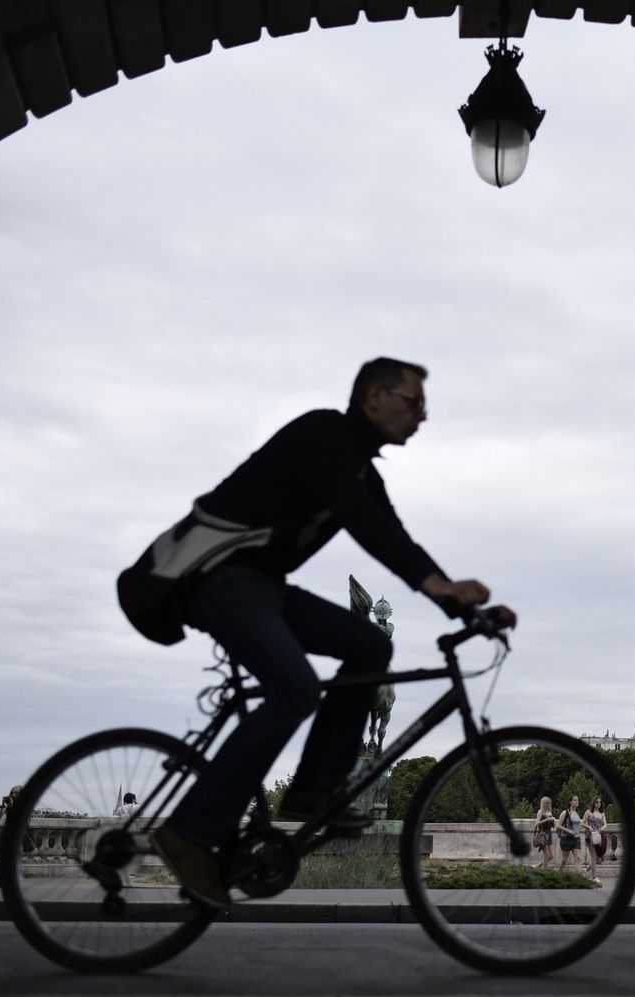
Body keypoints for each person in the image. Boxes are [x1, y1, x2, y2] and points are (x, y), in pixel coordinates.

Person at [119, 358, 516, 910]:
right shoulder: (323, 434)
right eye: (415, 402)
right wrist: (441, 587)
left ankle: (312, 786)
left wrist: (458, 606)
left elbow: (396, 537)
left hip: (257, 584)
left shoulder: (361, 471)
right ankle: (187, 833)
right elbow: (368, 526)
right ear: (374, 396)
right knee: (296, 689)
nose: (423, 416)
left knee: (371, 644)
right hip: (212, 576)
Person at [582, 796, 607, 885]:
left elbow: (605, 824)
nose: (598, 804)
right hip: (591, 836)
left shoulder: (602, 813)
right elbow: (582, 823)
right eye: (597, 802)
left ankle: (586, 870)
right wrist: (589, 827)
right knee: (594, 856)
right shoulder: (589, 812)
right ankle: (594, 877)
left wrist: (602, 829)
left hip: (599, 836)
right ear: (593, 803)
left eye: (600, 802)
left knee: (598, 857)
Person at [556, 794, 583, 873]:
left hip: (576, 838)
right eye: (575, 800)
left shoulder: (577, 813)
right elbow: (558, 825)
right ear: (570, 802)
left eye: (577, 800)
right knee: (564, 860)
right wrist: (568, 831)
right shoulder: (565, 812)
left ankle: (580, 877)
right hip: (567, 838)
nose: (577, 802)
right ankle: (558, 874)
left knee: (578, 857)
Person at [532, 797, 557, 868]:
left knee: (551, 855)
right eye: (547, 803)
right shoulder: (541, 811)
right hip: (543, 833)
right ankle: (544, 871)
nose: (549, 804)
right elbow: (536, 823)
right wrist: (547, 819)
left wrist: (553, 822)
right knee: (547, 855)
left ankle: (538, 866)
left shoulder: (550, 812)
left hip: (549, 833)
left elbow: (552, 825)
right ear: (544, 804)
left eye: (550, 803)